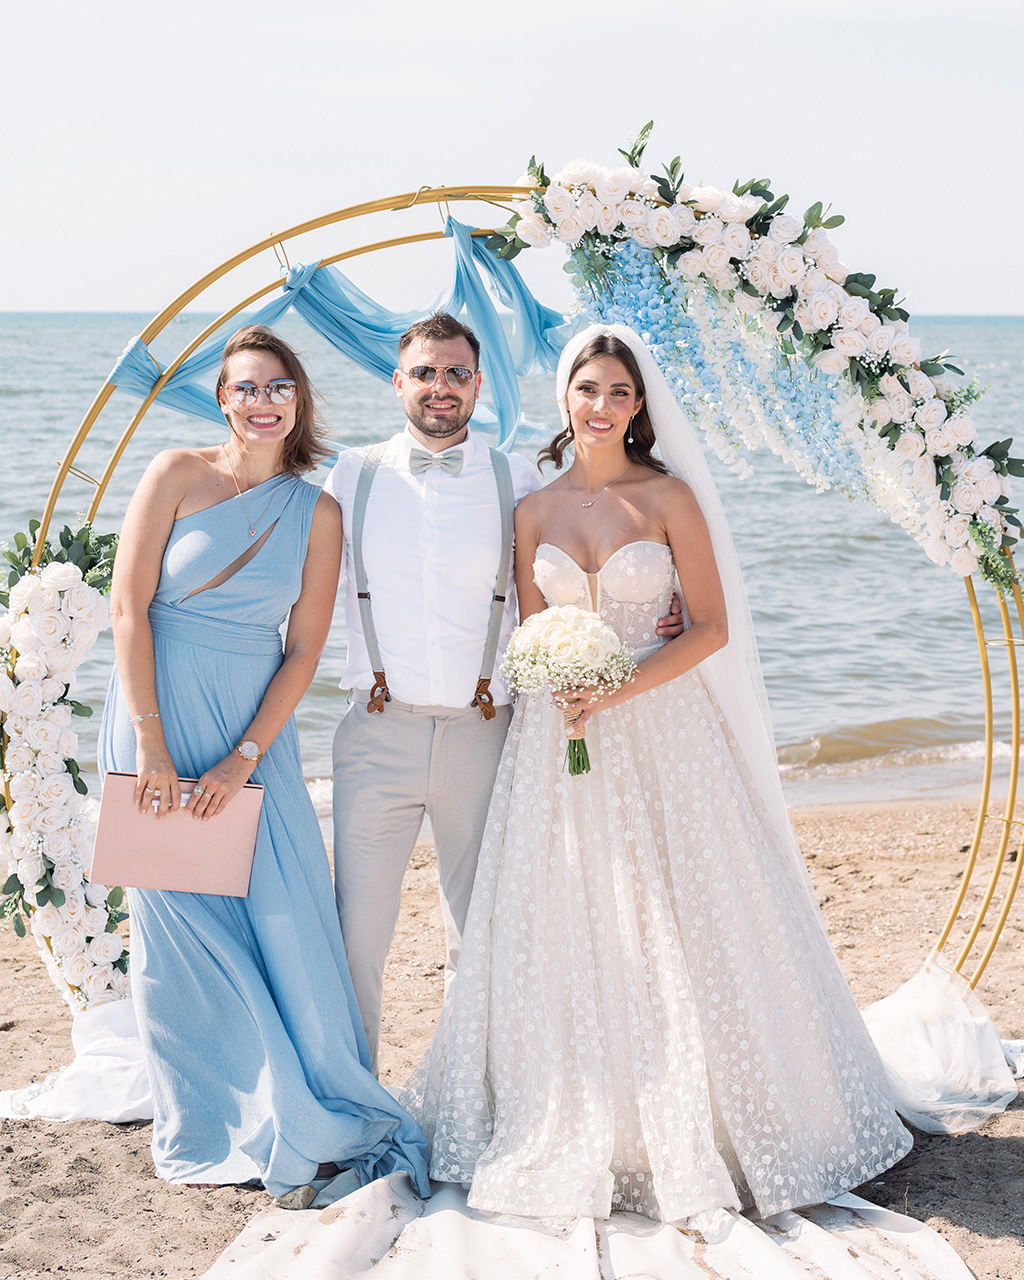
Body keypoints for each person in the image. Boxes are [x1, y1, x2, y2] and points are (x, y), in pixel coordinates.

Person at [404, 324, 913, 1234]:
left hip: (665, 727)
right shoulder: (531, 511)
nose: (601, 408)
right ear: (564, 396)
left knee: (687, 916)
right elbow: (528, 633)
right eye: (588, 390)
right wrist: (558, 684)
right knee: (573, 915)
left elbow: (710, 627)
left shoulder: (669, 498)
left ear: (640, 407)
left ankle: (718, 1124)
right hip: (557, 745)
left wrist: (621, 687)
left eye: (619, 394)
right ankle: (575, 1110)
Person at [97, 324, 429, 1206]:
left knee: (288, 915)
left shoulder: (318, 511)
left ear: (299, 399)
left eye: (277, 387)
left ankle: (311, 1098)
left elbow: (305, 648)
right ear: (222, 399)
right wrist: (154, 742)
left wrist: (246, 758)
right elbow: (128, 613)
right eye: (245, 388)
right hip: (154, 720)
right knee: (184, 933)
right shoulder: (173, 473)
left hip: (254, 736)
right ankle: (213, 1113)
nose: (262, 402)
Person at [324, 313, 683, 1074]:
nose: (441, 387)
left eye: (457, 373)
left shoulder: (514, 478)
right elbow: (300, 595)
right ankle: (355, 1096)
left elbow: (563, 587)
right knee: (355, 932)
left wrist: (659, 613)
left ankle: (475, 1096)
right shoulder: (349, 476)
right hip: (375, 732)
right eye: (425, 372)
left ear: (479, 384)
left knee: (482, 931)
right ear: (398, 382)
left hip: (486, 732)